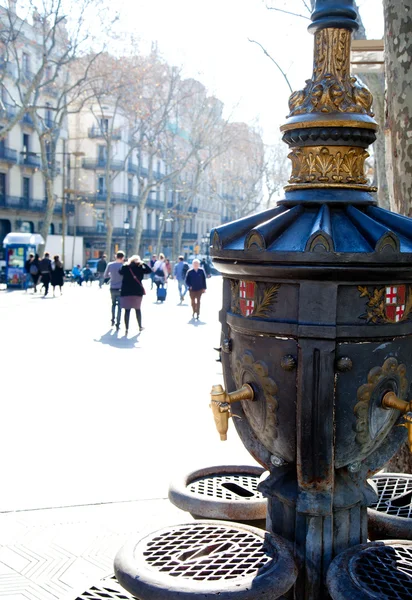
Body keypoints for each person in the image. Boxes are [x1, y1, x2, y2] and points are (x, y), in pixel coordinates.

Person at [119, 255, 152, 334]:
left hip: (126, 291)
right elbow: (149, 270)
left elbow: (120, 272)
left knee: (127, 310)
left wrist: (125, 264)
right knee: (137, 309)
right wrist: (143, 263)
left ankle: (126, 328)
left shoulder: (125, 267)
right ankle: (140, 326)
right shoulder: (140, 267)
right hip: (137, 291)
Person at [104, 251, 125, 330]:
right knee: (120, 306)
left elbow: (105, 275)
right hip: (121, 288)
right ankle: (118, 323)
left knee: (113, 304)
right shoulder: (123, 266)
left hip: (112, 287)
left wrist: (111, 275)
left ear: (116, 256)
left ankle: (112, 319)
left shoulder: (110, 265)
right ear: (122, 257)